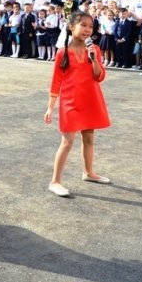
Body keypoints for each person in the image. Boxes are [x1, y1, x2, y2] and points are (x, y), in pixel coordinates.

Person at [44, 11, 111, 197]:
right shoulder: (62, 52)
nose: (88, 29)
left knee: (89, 139)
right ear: (71, 27)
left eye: (91, 26)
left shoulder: (94, 49)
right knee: (67, 141)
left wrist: (94, 59)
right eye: (83, 25)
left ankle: (88, 172)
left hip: (91, 99)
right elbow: (56, 81)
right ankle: (55, 181)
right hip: (70, 102)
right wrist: (50, 107)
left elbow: (99, 76)